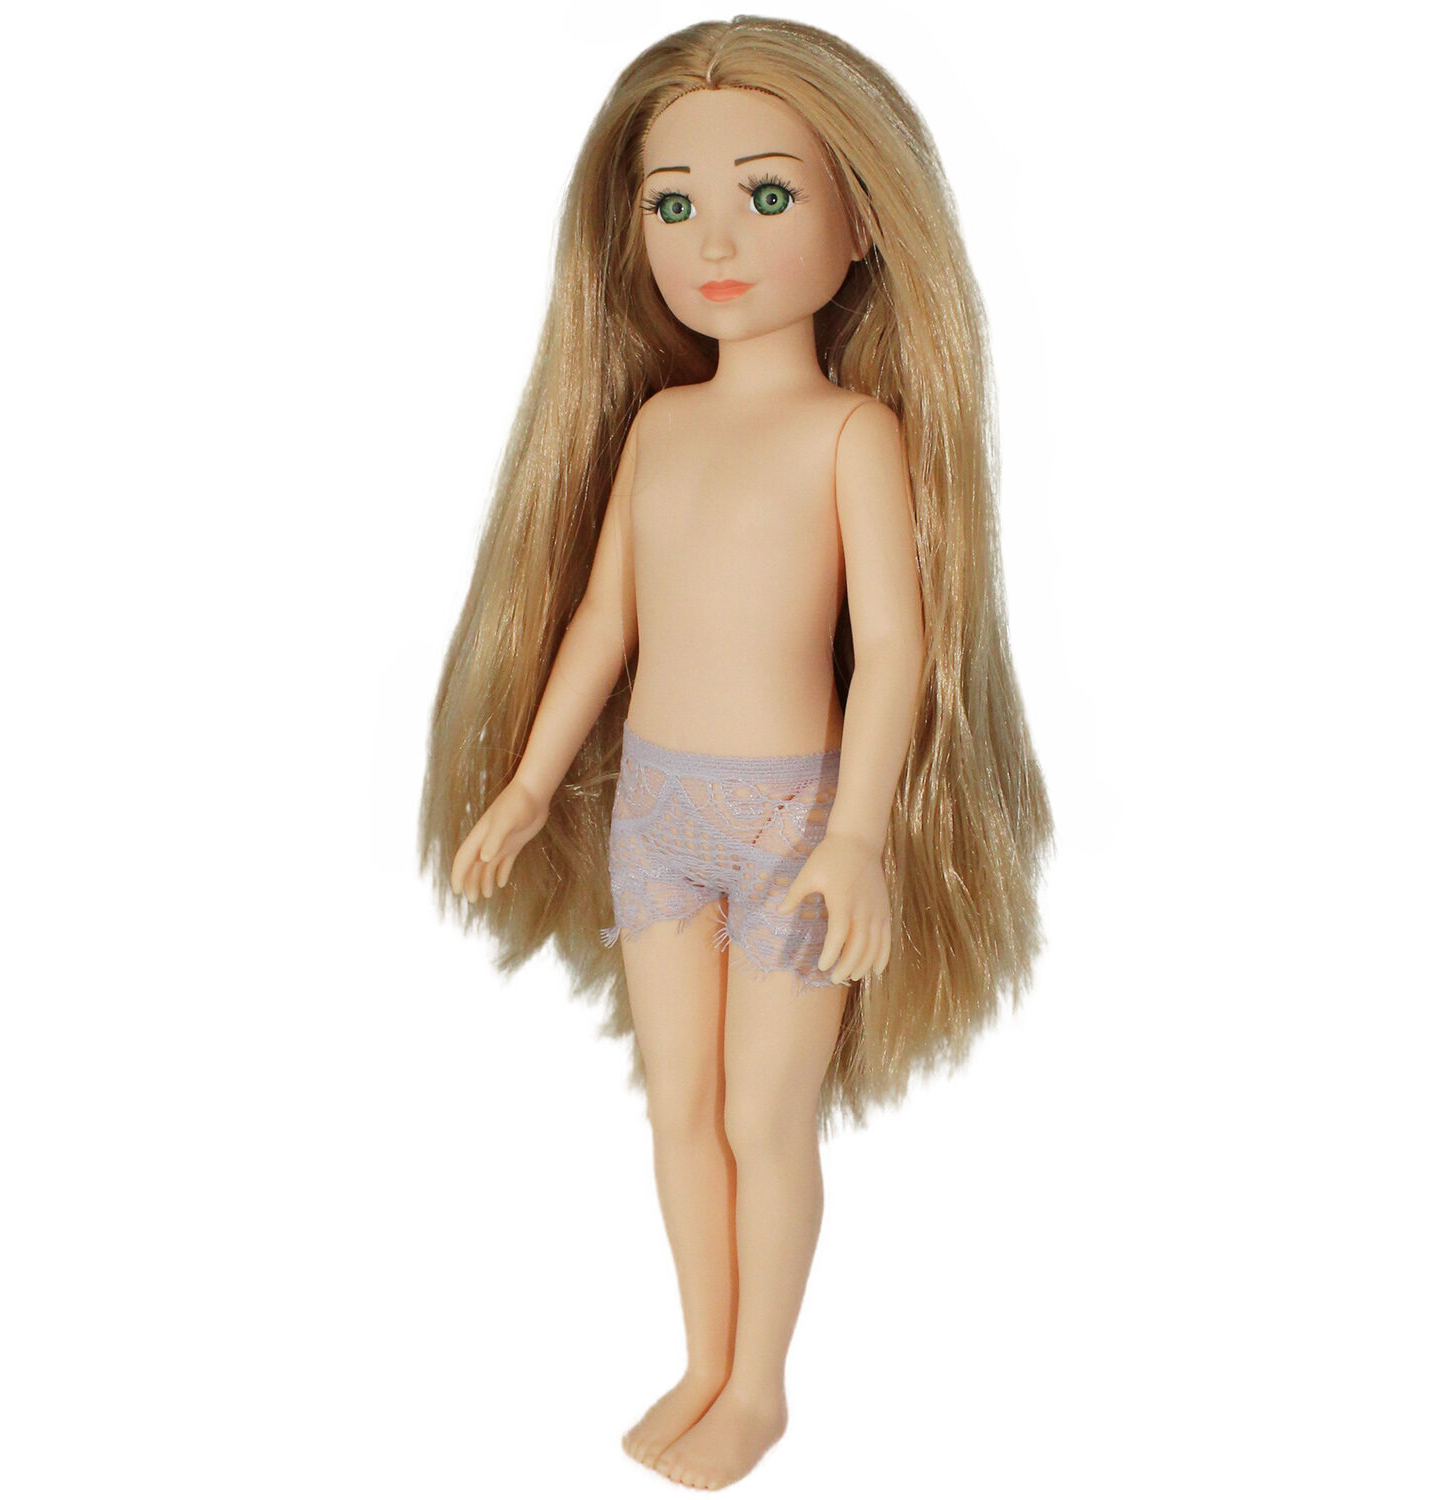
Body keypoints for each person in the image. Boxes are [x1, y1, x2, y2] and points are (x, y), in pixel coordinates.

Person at [417, 17, 1054, 1489]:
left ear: (861, 228)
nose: (713, 239)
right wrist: (528, 783)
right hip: (653, 812)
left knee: (767, 1118)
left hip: (793, 825)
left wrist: (859, 834)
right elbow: (604, 619)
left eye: (767, 196)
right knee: (681, 1109)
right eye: (672, 201)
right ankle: (702, 1358)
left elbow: (894, 650)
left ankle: (757, 1387)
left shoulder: (852, 435)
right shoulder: (657, 424)